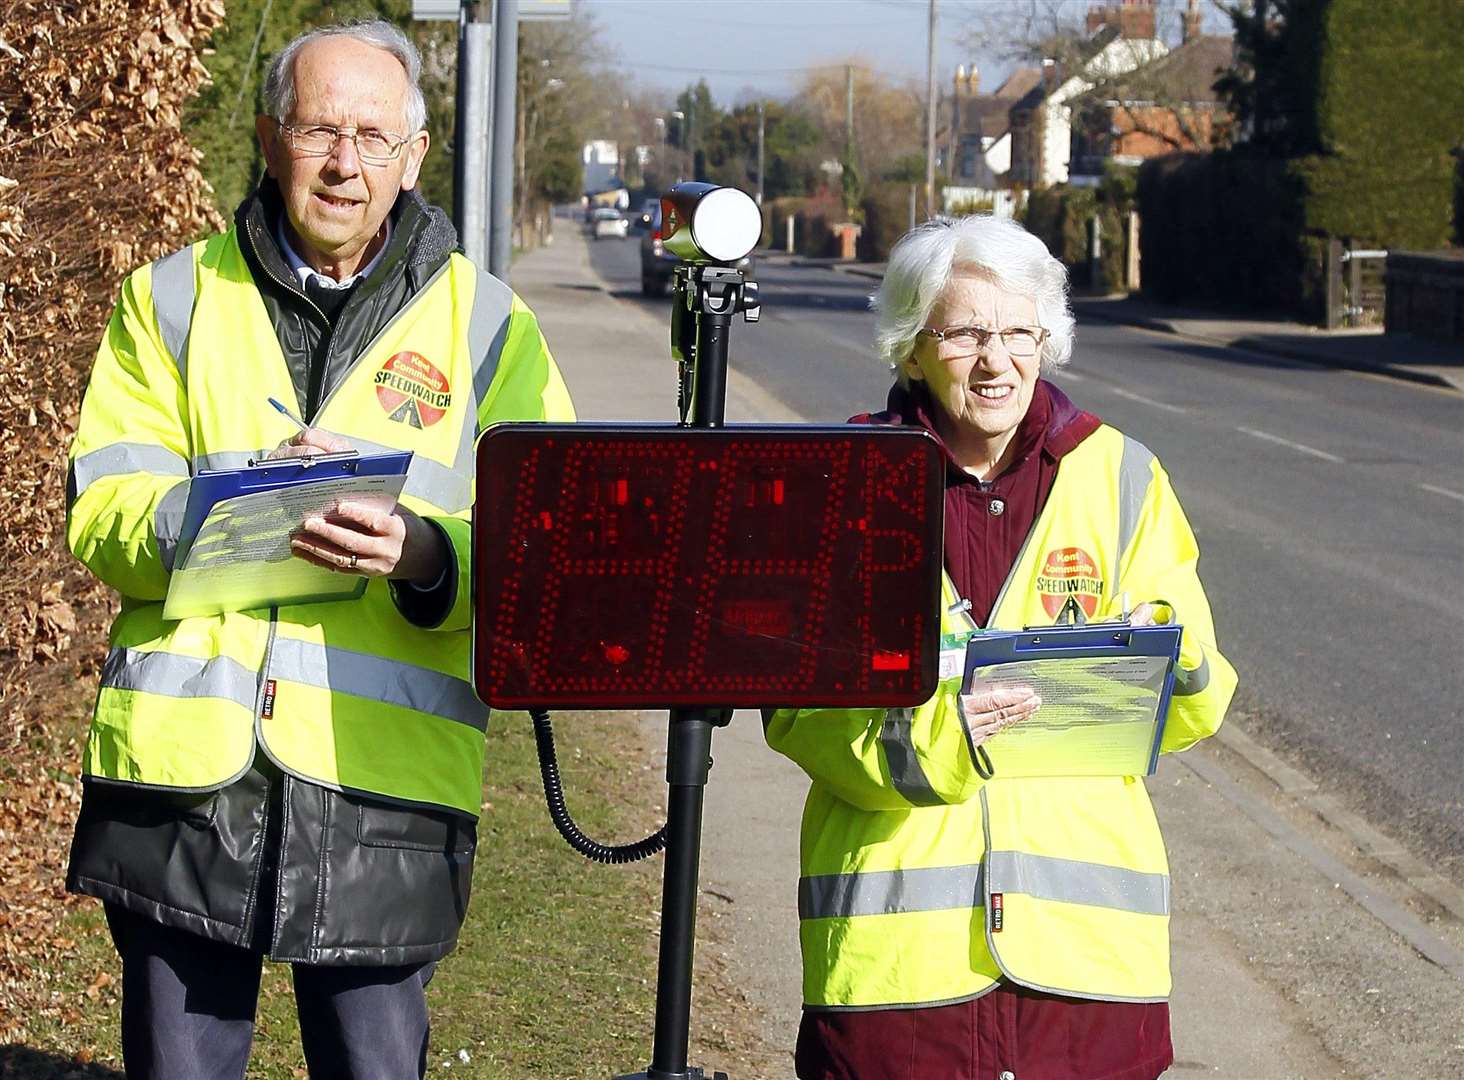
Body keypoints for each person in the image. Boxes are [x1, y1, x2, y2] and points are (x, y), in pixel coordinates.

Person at [64, 19, 574, 1078]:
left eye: (373, 136)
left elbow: (549, 551)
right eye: (318, 129)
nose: (345, 162)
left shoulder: (491, 330)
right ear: (267, 137)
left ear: (414, 156)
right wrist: (234, 505)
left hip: (383, 793)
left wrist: (425, 554)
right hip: (185, 796)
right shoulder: (169, 299)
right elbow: (103, 508)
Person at [765, 215, 1236, 1080]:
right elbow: (799, 711)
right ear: (911, 347)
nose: (996, 360)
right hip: (899, 980)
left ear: (1047, 341)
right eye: (965, 333)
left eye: (1019, 331)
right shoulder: (840, 482)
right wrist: (952, 738)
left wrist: (1161, 654)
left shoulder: (1123, 473)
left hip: (1089, 976)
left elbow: (1203, 696)